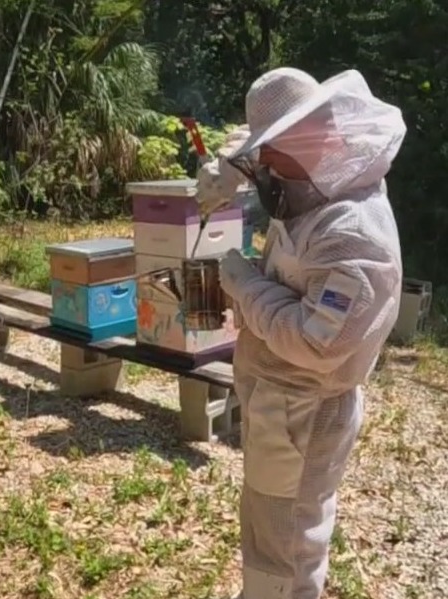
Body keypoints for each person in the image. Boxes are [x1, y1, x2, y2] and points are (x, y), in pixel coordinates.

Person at [195, 68, 406, 599]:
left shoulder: (353, 235)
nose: (263, 170)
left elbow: (313, 343)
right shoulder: (313, 186)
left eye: (271, 158)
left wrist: (245, 286)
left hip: (302, 410)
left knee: (286, 547)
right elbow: (262, 152)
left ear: (316, 140)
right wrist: (226, 173)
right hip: (281, 403)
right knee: (270, 526)